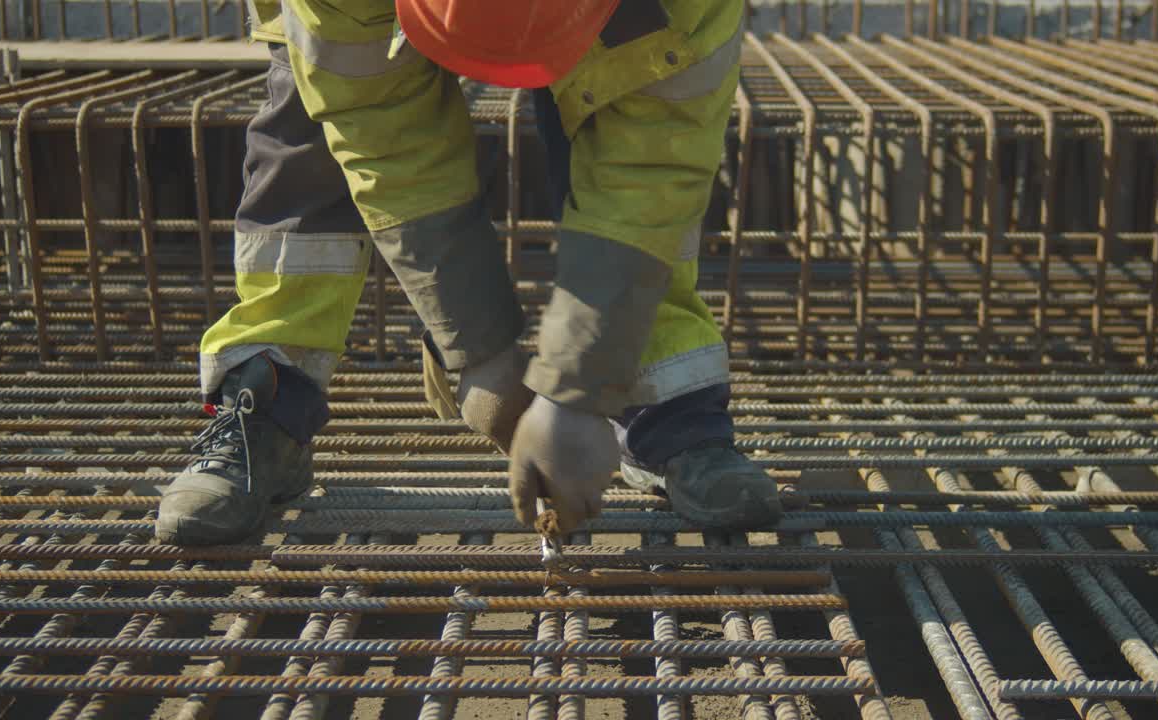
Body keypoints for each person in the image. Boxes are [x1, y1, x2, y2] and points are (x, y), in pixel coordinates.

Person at [155, 0, 783, 546]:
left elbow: (649, 177)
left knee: (633, 143)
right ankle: (265, 403)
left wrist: (578, 388)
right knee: (308, 138)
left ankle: (664, 409)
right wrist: (478, 351)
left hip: (627, 23)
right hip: (350, 22)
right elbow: (391, 145)